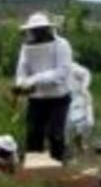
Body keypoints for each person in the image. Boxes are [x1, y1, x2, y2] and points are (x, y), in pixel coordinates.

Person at [15, 12, 73, 162]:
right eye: (34, 30)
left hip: (59, 98)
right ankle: (36, 168)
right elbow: (21, 71)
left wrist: (34, 79)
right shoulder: (26, 47)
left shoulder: (62, 45)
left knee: (55, 134)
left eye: (39, 29)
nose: (37, 33)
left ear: (47, 29)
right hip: (36, 99)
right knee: (33, 135)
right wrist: (21, 85)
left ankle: (58, 165)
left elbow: (61, 73)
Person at [67, 62, 95, 153]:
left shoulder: (72, 67)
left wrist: (84, 87)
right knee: (68, 124)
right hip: (66, 100)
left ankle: (79, 140)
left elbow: (86, 74)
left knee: (88, 123)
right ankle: (67, 147)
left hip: (80, 98)